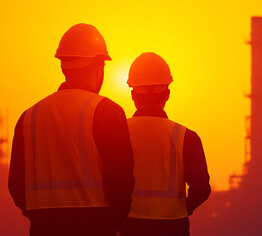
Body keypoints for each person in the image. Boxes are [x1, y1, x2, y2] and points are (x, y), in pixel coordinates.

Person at [8, 23, 135, 236]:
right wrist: (113, 223)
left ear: (63, 66)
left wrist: (43, 216)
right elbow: (122, 182)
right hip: (96, 227)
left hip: (43, 228)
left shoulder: (28, 117)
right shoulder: (107, 112)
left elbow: (16, 188)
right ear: (98, 65)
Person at [119, 52, 211, 236]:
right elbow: (202, 189)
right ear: (167, 94)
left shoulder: (117, 132)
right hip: (172, 228)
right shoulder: (186, 137)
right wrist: (181, 209)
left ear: (132, 95)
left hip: (128, 227)